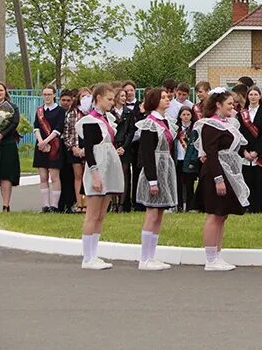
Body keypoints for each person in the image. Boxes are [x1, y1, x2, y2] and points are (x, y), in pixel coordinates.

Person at [194, 88, 251, 272]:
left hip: (228, 171)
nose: (232, 107)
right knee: (214, 214)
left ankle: (217, 254)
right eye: (228, 104)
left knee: (222, 214)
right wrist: (218, 179)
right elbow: (211, 154)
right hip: (215, 172)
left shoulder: (227, 123)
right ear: (218, 105)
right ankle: (210, 259)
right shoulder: (210, 125)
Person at [78, 83, 126, 270]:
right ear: (98, 99)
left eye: (113, 99)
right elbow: (89, 151)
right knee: (92, 214)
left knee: (100, 215)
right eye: (109, 99)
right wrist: (95, 175)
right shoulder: (91, 120)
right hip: (97, 167)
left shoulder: (108, 118)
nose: (111, 103)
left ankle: (94, 254)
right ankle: (87, 257)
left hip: (108, 165)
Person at [134, 88, 178, 271]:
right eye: (163, 97)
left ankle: (152, 255)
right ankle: (144, 258)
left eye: (168, 97)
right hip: (154, 171)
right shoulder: (149, 124)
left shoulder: (167, 121)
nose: (167, 99)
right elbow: (146, 153)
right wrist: (152, 180)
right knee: (152, 214)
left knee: (159, 214)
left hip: (165, 167)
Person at [237, 85, 262, 214]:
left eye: (255, 94)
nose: (253, 97)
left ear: (260, 97)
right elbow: (239, 133)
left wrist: (256, 151)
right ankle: (247, 206)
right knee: (246, 180)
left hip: (260, 153)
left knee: (259, 181)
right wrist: (244, 151)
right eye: (251, 94)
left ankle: (258, 208)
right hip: (245, 153)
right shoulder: (241, 114)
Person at [33, 86, 65, 212]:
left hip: (54, 146)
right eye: (44, 94)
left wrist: (46, 141)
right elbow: (36, 127)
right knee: (43, 176)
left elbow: (58, 128)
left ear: (54, 95)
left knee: (54, 176)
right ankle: (45, 205)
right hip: (41, 146)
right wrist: (41, 141)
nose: (46, 96)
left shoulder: (60, 110)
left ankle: (54, 205)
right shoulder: (40, 111)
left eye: (49, 94)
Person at [0, 82, 21, 212]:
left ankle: (6, 205)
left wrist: (1, 134)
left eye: (0, 90)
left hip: (7, 143)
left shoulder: (12, 107)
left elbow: (14, 122)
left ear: (5, 92)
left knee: (5, 175)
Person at [175, 105, 200, 212]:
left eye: (188, 114)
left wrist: (193, 160)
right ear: (180, 116)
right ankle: (179, 206)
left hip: (189, 161)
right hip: (178, 160)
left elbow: (197, 147)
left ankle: (190, 206)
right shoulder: (176, 128)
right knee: (178, 184)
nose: (186, 117)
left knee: (189, 185)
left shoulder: (195, 129)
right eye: (183, 114)